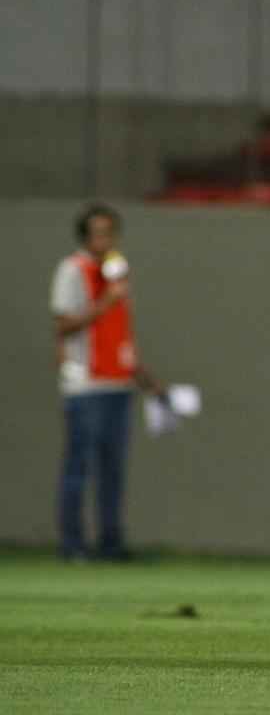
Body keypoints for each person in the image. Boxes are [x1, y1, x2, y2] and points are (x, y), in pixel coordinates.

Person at [51, 204, 163, 562]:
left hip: (118, 384)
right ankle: (72, 545)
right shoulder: (72, 270)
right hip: (86, 385)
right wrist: (105, 302)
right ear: (85, 237)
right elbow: (63, 325)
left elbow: (119, 337)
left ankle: (111, 544)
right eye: (99, 232)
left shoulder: (116, 274)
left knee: (112, 470)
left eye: (111, 232)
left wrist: (146, 381)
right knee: (79, 467)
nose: (106, 239)